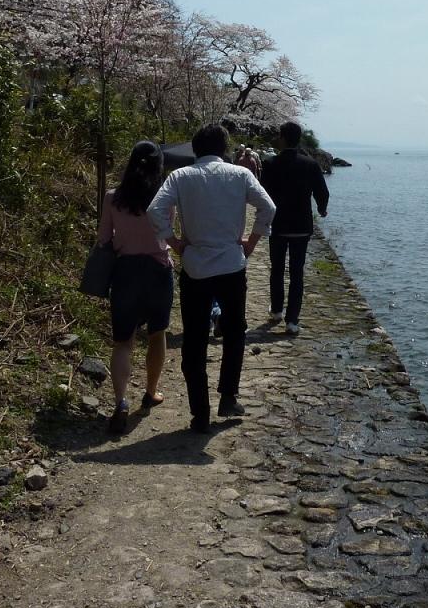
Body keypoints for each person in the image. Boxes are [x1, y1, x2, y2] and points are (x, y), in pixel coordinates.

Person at [148, 124, 276, 434]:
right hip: (232, 265)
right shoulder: (240, 174)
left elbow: (155, 209)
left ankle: (200, 414)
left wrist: (174, 242)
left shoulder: (180, 176)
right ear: (224, 148)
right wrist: (252, 243)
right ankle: (228, 397)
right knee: (235, 333)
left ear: (195, 149)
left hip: (195, 267)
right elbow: (268, 207)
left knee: (194, 340)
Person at [97, 141, 175, 435]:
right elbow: (168, 233)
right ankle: (151, 392)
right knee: (157, 334)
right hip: (158, 271)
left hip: (125, 272)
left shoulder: (113, 197)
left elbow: (103, 239)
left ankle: (120, 402)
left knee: (123, 342)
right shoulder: (166, 197)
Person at [260, 121, 329, 336]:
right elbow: (322, 192)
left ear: (282, 137)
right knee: (297, 273)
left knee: (277, 269)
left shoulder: (270, 163)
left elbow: (263, 194)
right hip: (301, 225)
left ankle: (277, 310)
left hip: (278, 225)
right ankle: (292, 320)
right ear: (299, 139)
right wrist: (322, 209)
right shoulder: (310, 164)